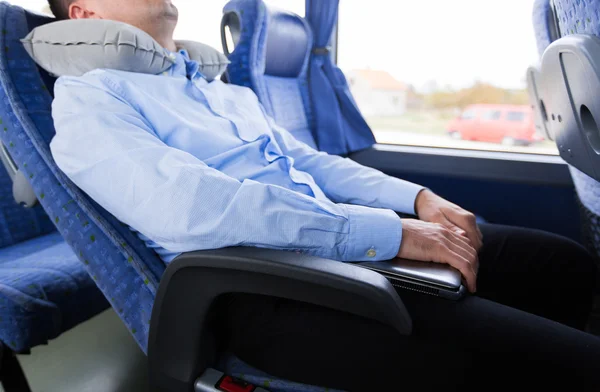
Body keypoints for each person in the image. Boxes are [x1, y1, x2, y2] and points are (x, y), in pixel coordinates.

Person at [46, 0, 600, 390]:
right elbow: (193, 205)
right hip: (272, 289)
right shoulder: (89, 101)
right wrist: (390, 233)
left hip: (339, 245)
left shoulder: (211, 88)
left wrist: (417, 199)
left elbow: (309, 163)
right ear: (82, 14)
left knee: (562, 266)